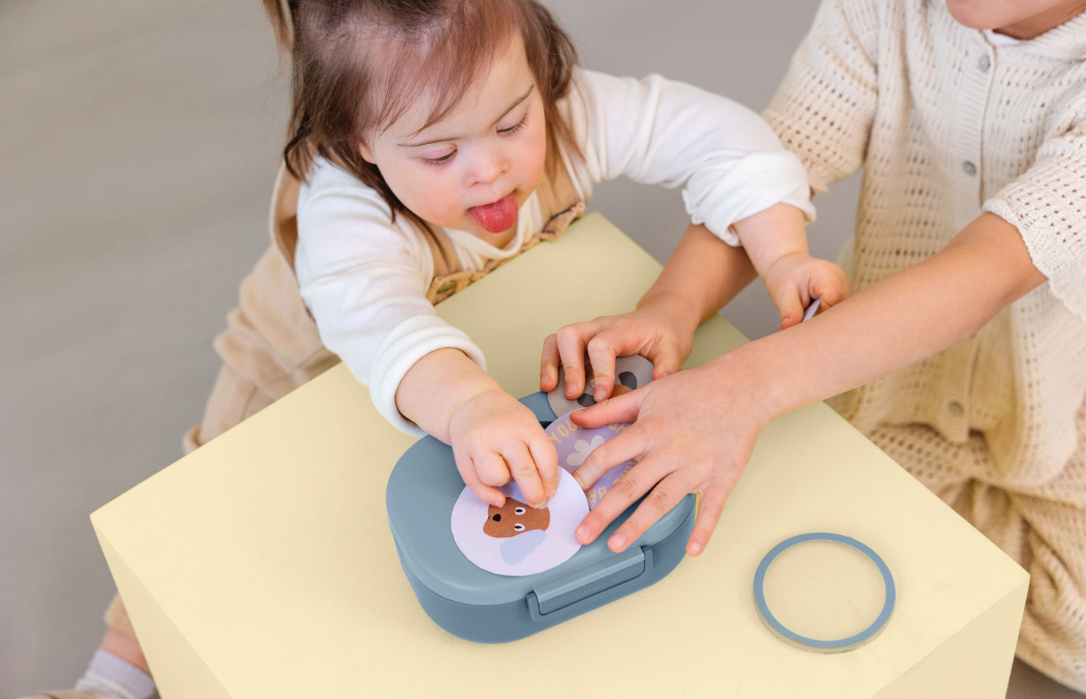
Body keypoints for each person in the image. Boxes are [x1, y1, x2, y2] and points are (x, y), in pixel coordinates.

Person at [26, 1, 851, 697]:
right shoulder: (344, 207)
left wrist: (781, 254)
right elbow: (383, 322)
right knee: (203, 507)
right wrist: (469, 404)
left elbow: (726, 141)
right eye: (439, 153)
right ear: (359, 143)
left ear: (541, 75)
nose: (489, 170)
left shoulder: (567, 113)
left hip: (474, 343)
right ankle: (116, 672)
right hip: (301, 364)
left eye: (511, 122)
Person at [544, 0, 1086, 690]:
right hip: (880, 392)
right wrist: (672, 306)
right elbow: (767, 169)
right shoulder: (883, 11)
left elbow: (984, 274)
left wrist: (742, 389)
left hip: (1060, 422)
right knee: (759, 552)